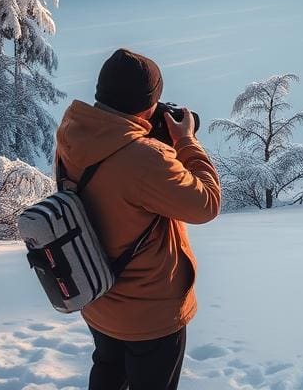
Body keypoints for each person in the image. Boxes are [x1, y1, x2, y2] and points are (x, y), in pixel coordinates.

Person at [54, 48, 221, 390]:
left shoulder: (74, 133)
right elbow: (206, 204)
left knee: (108, 369)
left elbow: (117, 186)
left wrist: (142, 133)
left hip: (99, 297)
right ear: (148, 104)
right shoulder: (145, 158)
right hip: (150, 315)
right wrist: (186, 141)